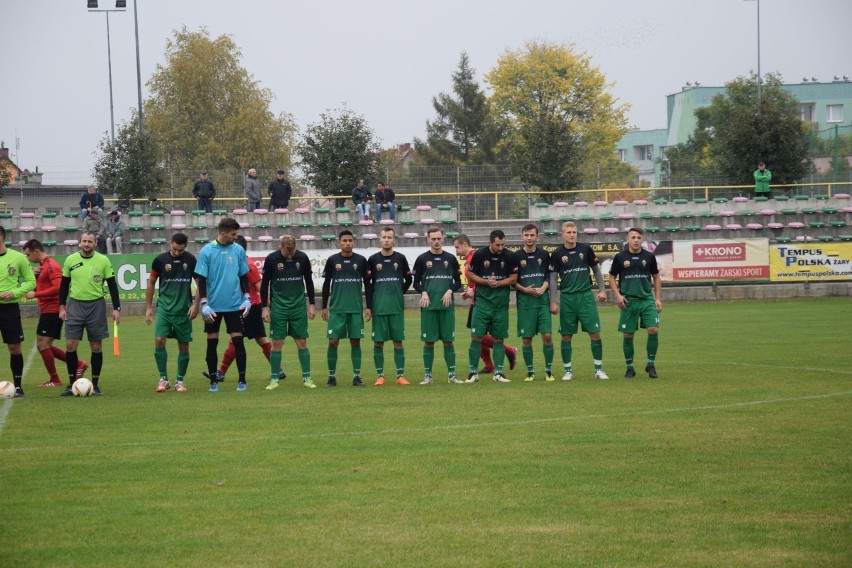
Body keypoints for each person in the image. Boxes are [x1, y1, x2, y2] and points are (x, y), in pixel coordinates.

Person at [210, 235, 285, 385]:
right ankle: (278, 370)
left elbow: (259, 285)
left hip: (249, 308)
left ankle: (221, 372)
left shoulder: (247, 264)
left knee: (235, 339)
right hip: (244, 307)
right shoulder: (236, 262)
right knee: (260, 338)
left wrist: (267, 307)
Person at [58, 231, 122, 396]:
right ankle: (72, 384)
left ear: (95, 243)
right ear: (80, 242)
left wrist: (116, 308)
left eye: (90, 241)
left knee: (96, 346)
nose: (86, 244)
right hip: (75, 305)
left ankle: (95, 384)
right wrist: (62, 307)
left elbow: (112, 285)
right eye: (84, 241)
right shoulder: (71, 260)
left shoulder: (103, 260)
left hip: (96, 306)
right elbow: (64, 285)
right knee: (71, 345)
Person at [194, 218, 252, 393]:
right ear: (223, 233)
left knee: (238, 342)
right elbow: (201, 279)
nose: (235, 237)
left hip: (234, 305)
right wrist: (203, 302)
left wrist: (247, 297)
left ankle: (242, 380)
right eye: (233, 234)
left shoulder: (238, 250)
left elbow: (243, 275)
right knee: (212, 343)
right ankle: (213, 381)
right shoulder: (207, 251)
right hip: (213, 307)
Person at [22, 239, 88, 387]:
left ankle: (55, 379)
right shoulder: (44, 265)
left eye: (28, 255)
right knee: (44, 345)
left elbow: (58, 288)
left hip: (52, 310)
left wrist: (36, 294)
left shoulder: (51, 265)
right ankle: (79, 364)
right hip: (47, 310)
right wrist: (36, 275)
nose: (27, 258)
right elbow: (46, 283)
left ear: (36, 252)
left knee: (43, 345)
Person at [549, 221, 609, 381]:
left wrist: (602, 289)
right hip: (567, 298)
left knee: (595, 333)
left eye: (574, 232)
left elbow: (596, 269)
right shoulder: (556, 254)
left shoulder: (585, 249)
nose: (572, 235)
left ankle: (598, 369)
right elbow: (553, 279)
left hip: (585, 297)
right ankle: (568, 371)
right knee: (566, 336)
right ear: (562, 234)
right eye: (568, 232)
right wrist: (553, 301)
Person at [452, 234, 518, 374]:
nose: (456, 250)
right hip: (477, 299)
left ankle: (508, 351)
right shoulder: (473, 257)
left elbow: (483, 278)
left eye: (457, 247)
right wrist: (470, 291)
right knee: (477, 334)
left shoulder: (476, 256)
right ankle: (489, 365)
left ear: (465, 244)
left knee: (478, 335)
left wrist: (474, 289)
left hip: (484, 300)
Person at [261, 235, 317, 389]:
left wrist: (312, 304)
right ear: (281, 247)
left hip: (298, 307)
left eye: (292, 252)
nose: (290, 255)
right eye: (287, 253)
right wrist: (264, 308)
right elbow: (264, 284)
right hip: (278, 307)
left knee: (302, 342)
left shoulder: (302, 258)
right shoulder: (271, 259)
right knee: (277, 342)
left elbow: (309, 282)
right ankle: (274, 379)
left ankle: (307, 378)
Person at [145, 233, 198, 393]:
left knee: (183, 346)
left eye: (180, 250)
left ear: (185, 247)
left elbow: (200, 282)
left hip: (183, 310)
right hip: (164, 309)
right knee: (159, 340)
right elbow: (151, 283)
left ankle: (180, 381)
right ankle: (163, 379)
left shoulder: (190, 260)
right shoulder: (160, 260)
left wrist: (196, 304)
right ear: (170, 244)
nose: (177, 253)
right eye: (174, 249)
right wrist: (148, 307)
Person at [609, 228, 662, 379]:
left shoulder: (649, 256)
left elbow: (656, 277)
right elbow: (612, 277)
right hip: (629, 301)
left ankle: (650, 365)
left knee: (653, 330)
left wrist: (657, 298)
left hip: (646, 300)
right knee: (628, 334)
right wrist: (618, 296)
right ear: (628, 239)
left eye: (639, 237)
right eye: (633, 237)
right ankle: (629, 368)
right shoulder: (620, 257)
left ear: (642, 240)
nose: (636, 240)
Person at [412, 226, 463, 385]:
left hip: (447, 307)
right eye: (433, 239)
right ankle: (428, 376)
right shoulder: (421, 259)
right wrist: (423, 292)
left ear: (442, 239)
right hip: (429, 307)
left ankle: (452, 375)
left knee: (448, 341)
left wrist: (450, 290)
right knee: (429, 342)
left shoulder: (451, 258)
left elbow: (459, 282)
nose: (436, 241)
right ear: (428, 239)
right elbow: (416, 282)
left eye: (438, 238)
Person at [321, 230, 372, 387]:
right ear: (339, 242)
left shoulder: (361, 260)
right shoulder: (332, 260)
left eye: (350, 240)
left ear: (354, 242)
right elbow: (326, 284)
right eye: (345, 240)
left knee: (355, 342)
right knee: (333, 342)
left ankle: (356, 377)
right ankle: (331, 377)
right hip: (337, 309)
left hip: (356, 309)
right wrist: (324, 306)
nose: (348, 243)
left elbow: (368, 285)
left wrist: (368, 307)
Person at [366, 227, 412, 386]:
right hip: (379, 307)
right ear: (380, 239)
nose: (386, 240)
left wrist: (400, 292)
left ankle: (400, 376)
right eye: (384, 237)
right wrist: (369, 306)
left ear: (394, 239)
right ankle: (380, 376)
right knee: (378, 342)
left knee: (398, 341)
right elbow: (369, 285)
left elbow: (409, 280)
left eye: (389, 237)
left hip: (396, 307)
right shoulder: (372, 260)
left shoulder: (400, 258)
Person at [513, 224, 558, 382]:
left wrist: (544, 287)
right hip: (525, 303)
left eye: (532, 235)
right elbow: (512, 281)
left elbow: (549, 276)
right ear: (522, 236)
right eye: (526, 235)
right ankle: (530, 372)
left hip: (542, 302)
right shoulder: (516, 256)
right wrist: (524, 290)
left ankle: (548, 371)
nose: (529, 238)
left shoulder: (545, 254)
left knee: (547, 336)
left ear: (537, 236)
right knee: (527, 339)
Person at [0, 226, 36, 398]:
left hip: (9, 309)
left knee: (14, 347)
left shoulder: (18, 258)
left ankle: (19, 386)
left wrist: (14, 293)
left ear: (3, 237)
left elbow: (31, 282)